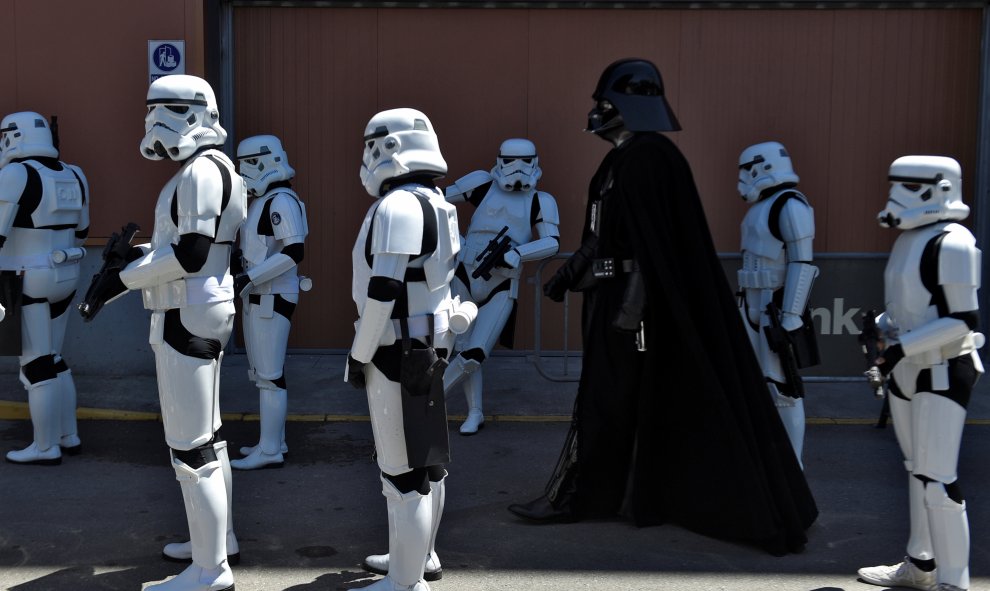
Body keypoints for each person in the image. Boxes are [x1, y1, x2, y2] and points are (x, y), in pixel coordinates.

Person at [507, 58, 817, 555]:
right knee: (608, 400)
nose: (596, 111)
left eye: (604, 103)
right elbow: (601, 236)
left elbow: (653, 254)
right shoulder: (620, 161)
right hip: (614, 304)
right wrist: (567, 277)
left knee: (611, 400)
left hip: (636, 312)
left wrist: (631, 316)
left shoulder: (651, 159)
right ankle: (607, 492)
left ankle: (582, 495)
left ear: (629, 105)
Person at [85, 74, 245, 591]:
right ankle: (217, 545)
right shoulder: (215, 168)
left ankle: (209, 569)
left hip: (188, 311)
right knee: (210, 440)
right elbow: (190, 247)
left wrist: (122, 279)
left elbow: (190, 255)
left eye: (168, 110)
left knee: (191, 447)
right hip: (203, 305)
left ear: (198, 113)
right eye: (152, 109)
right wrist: (129, 265)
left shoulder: (200, 171)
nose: (156, 122)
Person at [347, 107, 470, 591]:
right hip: (429, 346)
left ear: (387, 147)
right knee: (429, 463)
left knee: (402, 474)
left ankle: (404, 580)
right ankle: (417, 559)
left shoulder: (398, 206)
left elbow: (382, 291)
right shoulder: (438, 202)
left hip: (397, 349)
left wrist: (358, 354)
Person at [857, 155, 981, 591]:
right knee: (917, 470)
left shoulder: (954, 242)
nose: (896, 195)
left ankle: (954, 581)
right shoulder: (910, 239)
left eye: (908, 186)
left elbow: (963, 319)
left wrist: (901, 347)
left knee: (937, 480)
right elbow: (909, 309)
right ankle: (920, 564)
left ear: (939, 189)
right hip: (908, 368)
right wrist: (881, 331)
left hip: (944, 368)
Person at [443, 138, 559, 434]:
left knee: (475, 353)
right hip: (465, 275)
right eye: (510, 161)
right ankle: (475, 411)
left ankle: (425, 404)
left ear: (535, 161)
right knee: (462, 347)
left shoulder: (540, 200)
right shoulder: (481, 184)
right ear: (499, 160)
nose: (517, 168)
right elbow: (437, 202)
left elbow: (552, 242)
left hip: (502, 283)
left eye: (524, 161)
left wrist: (519, 253)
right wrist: (457, 238)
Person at [0, 111, 89, 465]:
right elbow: (82, 229)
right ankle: (68, 435)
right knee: (53, 358)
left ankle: (45, 446)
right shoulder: (75, 174)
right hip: (65, 275)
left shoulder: (14, 174)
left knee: (35, 365)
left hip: (27, 277)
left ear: (12, 137)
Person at [228, 134, 309, 470]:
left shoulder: (282, 200)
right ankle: (272, 441)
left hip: (271, 296)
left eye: (246, 164)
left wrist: (250, 277)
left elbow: (294, 251)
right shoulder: (266, 200)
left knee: (270, 376)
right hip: (259, 294)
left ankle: (271, 449)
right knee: (263, 375)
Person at [736, 141, 818, 468]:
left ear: (762, 166)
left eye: (746, 169)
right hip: (750, 303)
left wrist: (792, 315)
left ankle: (791, 466)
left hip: (774, 307)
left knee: (785, 388)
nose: (742, 178)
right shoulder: (763, 206)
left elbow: (802, 263)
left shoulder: (790, 205)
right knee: (754, 386)